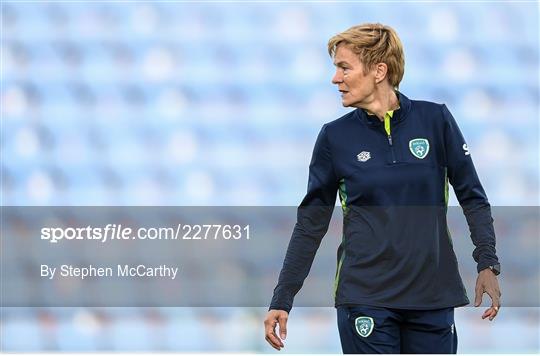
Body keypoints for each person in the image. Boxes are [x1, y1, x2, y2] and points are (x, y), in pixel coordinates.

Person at [264, 23, 501, 354]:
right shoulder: (334, 138)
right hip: (365, 299)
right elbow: (310, 224)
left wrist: (487, 262)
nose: (335, 78)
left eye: (344, 67)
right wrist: (282, 298)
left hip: (432, 297)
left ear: (379, 70)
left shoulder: (436, 121)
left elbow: (473, 197)